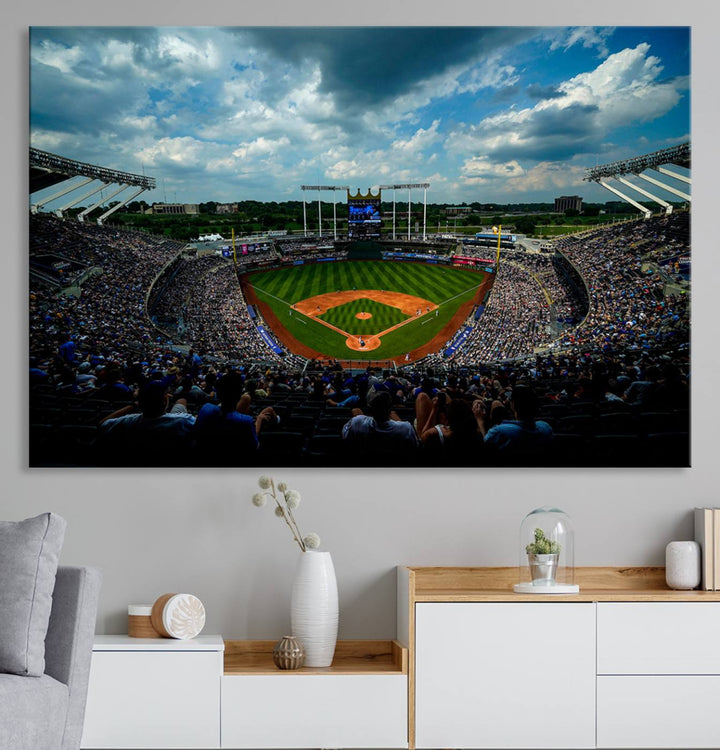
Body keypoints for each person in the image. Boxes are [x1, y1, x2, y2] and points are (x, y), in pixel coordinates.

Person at [96, 380, 196, 466]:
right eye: (166, 395)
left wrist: (132, 406)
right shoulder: (183, 420)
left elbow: (102, 424)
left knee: (180, 402)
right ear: (165, 401)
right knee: (181, 401)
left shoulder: (128, 421)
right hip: (171, 456)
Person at [194, 371, 277, 465]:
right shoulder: (245, 421)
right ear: (239, 394)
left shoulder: (205, 408)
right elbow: (255, 446)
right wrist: (259, 420)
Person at [475, 384, 553, 463]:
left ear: (513, 404)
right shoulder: (546, 428)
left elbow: (485, 444)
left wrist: (480, 420)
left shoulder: (499, 431)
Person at [342, 390, 418, 464]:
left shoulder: (357, 423)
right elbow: (414, 447)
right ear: (389, 409)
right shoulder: (405, 428)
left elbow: (345, 437)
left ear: (370, 410)